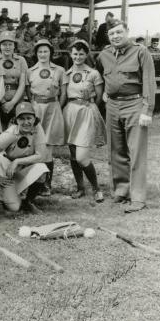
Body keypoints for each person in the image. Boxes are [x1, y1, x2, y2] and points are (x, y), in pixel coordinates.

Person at [96, 19, 156, 213]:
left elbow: (149, 81)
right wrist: (105, 91)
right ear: (108, 36)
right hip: (113, 105)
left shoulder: (141, 52)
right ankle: (121, 191)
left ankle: (138, 197)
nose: (115, 36)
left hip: (135, 103)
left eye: (119, 32)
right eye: (112, 34)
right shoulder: (104, 54)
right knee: (116, 150)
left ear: (127, 31)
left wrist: (147, 110)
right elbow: (103, 74)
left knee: (136, 152)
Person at [62, 39, 106, 203]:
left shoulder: (93, 73)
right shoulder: (67, 73)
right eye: (75, 53)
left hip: (86, 111)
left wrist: (89, 107)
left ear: (86, 54)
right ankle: (80, 187)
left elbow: (100, 97)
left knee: (82, 157)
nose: (78, 57)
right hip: (70, 112)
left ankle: (96, 188)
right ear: (71, 54)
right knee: (73, 154)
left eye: (81, 53)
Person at [0, 102, 49, 213]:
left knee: (42, 168)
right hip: (7, 170)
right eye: (22, 119)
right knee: (14, 207)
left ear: (34, 118)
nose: (26, 122)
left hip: (20, 167)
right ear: (16, 120)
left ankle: (28, 202)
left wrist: (17, 161)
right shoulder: (10, 133)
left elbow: (41, 155)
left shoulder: (38, 129)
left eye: (29, 118)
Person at [26, 39, 66, 196]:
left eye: (46, 51)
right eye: (40, 51)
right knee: (35, 145)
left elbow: (63, 92)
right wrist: (33, 104)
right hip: (36, 108)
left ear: (51, 52)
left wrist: (57, 107)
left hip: (53, 108)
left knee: (48, 147)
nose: (43, 54)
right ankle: (33, 182)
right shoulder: (30, 71)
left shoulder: (59, 70)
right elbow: (29, 91)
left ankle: (46, 184)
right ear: (36, 53)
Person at [0, 31, 28, 130]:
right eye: (4, 44)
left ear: (14, 46)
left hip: (17, 98)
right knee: (1, 130)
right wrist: (4, 102)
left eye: (10, 44)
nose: (7, 47)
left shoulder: (21, 60)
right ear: (0, 46)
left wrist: (12, 102)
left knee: (17, 130)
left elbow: (22, 83)